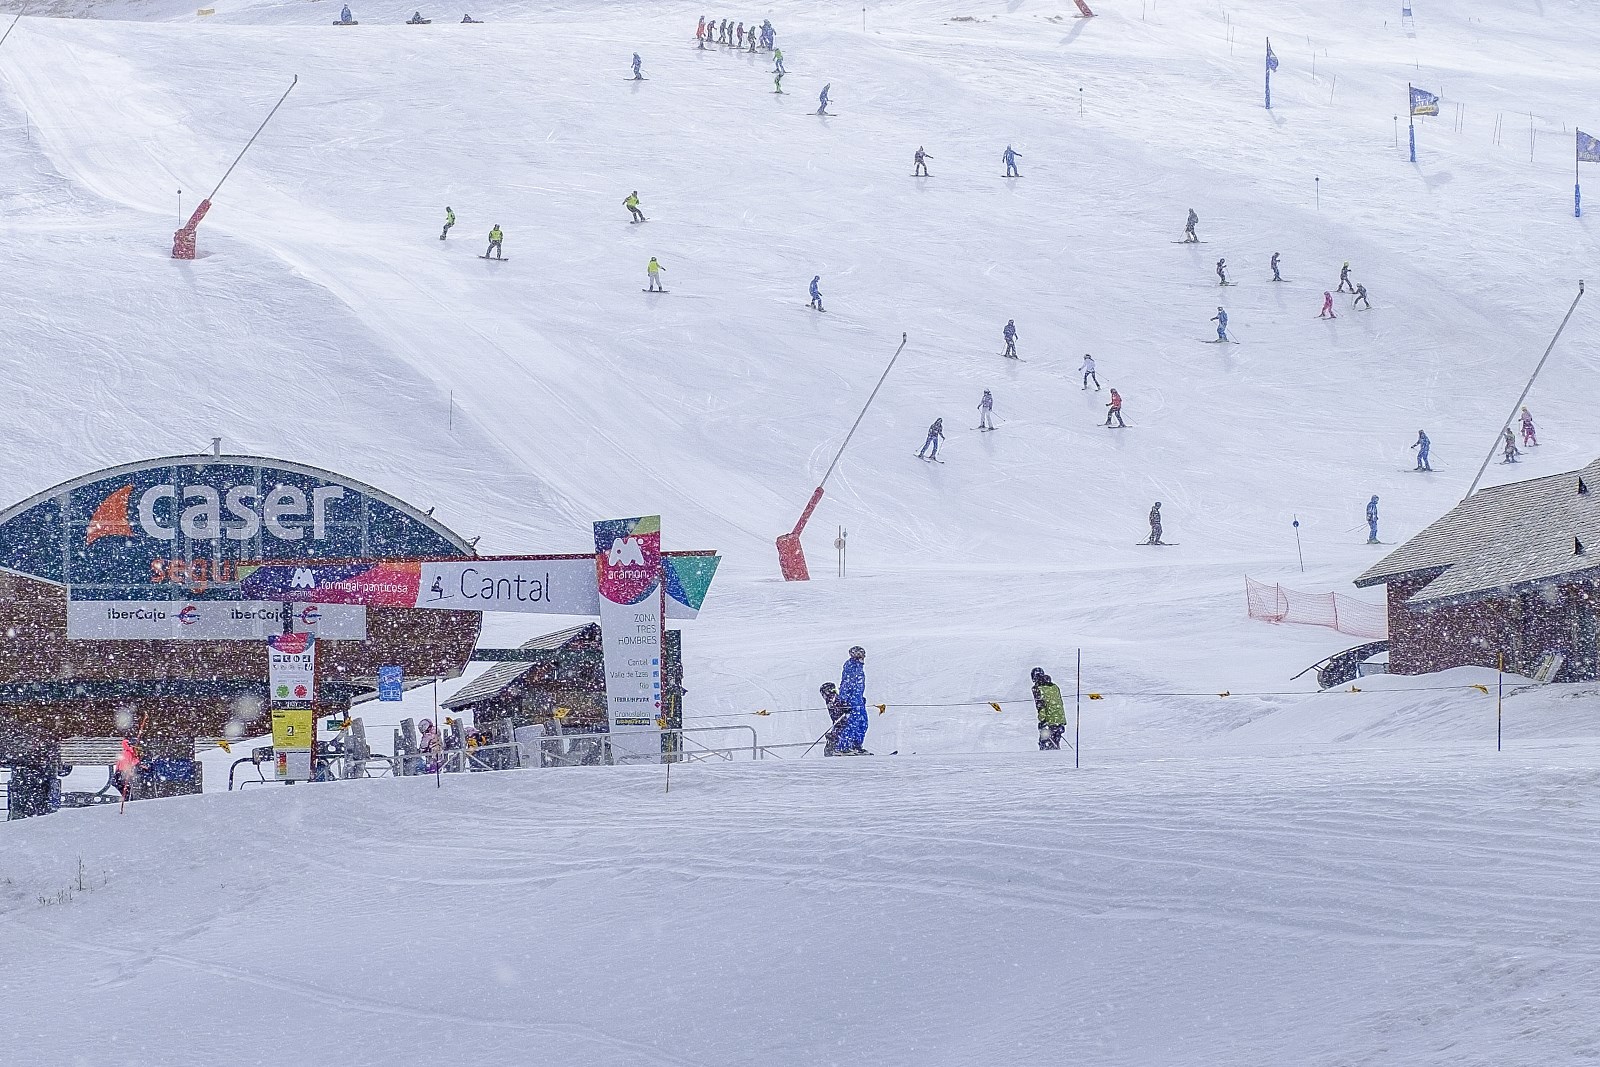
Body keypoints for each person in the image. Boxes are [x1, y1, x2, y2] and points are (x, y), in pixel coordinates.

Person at [837, 646, 869, 754]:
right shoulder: (851, 666)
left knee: (862, 723)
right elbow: (846, 684)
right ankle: (844, 747)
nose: (863, 657)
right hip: (851, 701)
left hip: (857, 700)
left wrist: (860, 697)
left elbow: (857, 685)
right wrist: (844, 701)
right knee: (851, 723)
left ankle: (856, 746)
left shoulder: (859, 667)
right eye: (860, 654)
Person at [1032, 668, 1067, 751]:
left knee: (1045, 745)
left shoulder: (1037, 688)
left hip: (1048, 721)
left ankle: (1048, 761)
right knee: (1055, 743)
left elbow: (1040, 706)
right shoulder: (1054, 687)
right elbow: (1058, 703)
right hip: (1059, 720)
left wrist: (1042, 720)